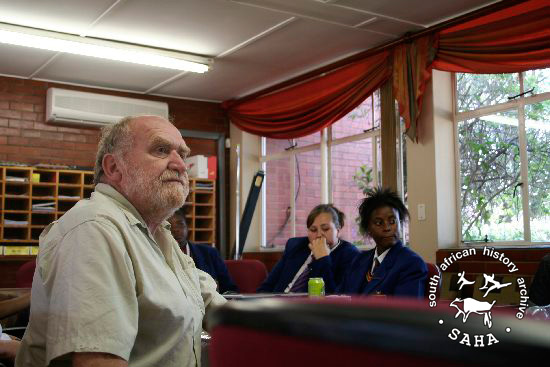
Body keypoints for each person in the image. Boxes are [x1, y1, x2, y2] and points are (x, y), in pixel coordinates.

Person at [15, 115, 226, 367]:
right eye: (161, 150)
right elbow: (97, 362)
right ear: (114, 168)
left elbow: (207, 300)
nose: (181, 165)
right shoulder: (95, 229)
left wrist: (273, 324)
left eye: (182, 154)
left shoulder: (158, 233)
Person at [338, 187, 427, 297]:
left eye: (392, 221)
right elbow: (339, 298)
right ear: (368, 229)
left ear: (400, 224)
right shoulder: (358, 260)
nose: (387, 228)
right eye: (379, 223)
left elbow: (406, 312)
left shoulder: (412, 264)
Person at [257, 204, 360, 294]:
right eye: (313, 230)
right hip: (278, 307)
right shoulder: (295, 246)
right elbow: (267, 287)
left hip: (311, 312)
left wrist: (322, 259)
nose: (319, 235)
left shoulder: (350, 255)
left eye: (325, 229)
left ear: (338, 230)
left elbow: (333, 297)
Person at [168, 207, 238, 293]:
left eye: (180, 224)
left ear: (187, 226)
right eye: (170, 226)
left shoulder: (209, 253)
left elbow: (229, 288)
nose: (176, 229)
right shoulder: (161, 255)